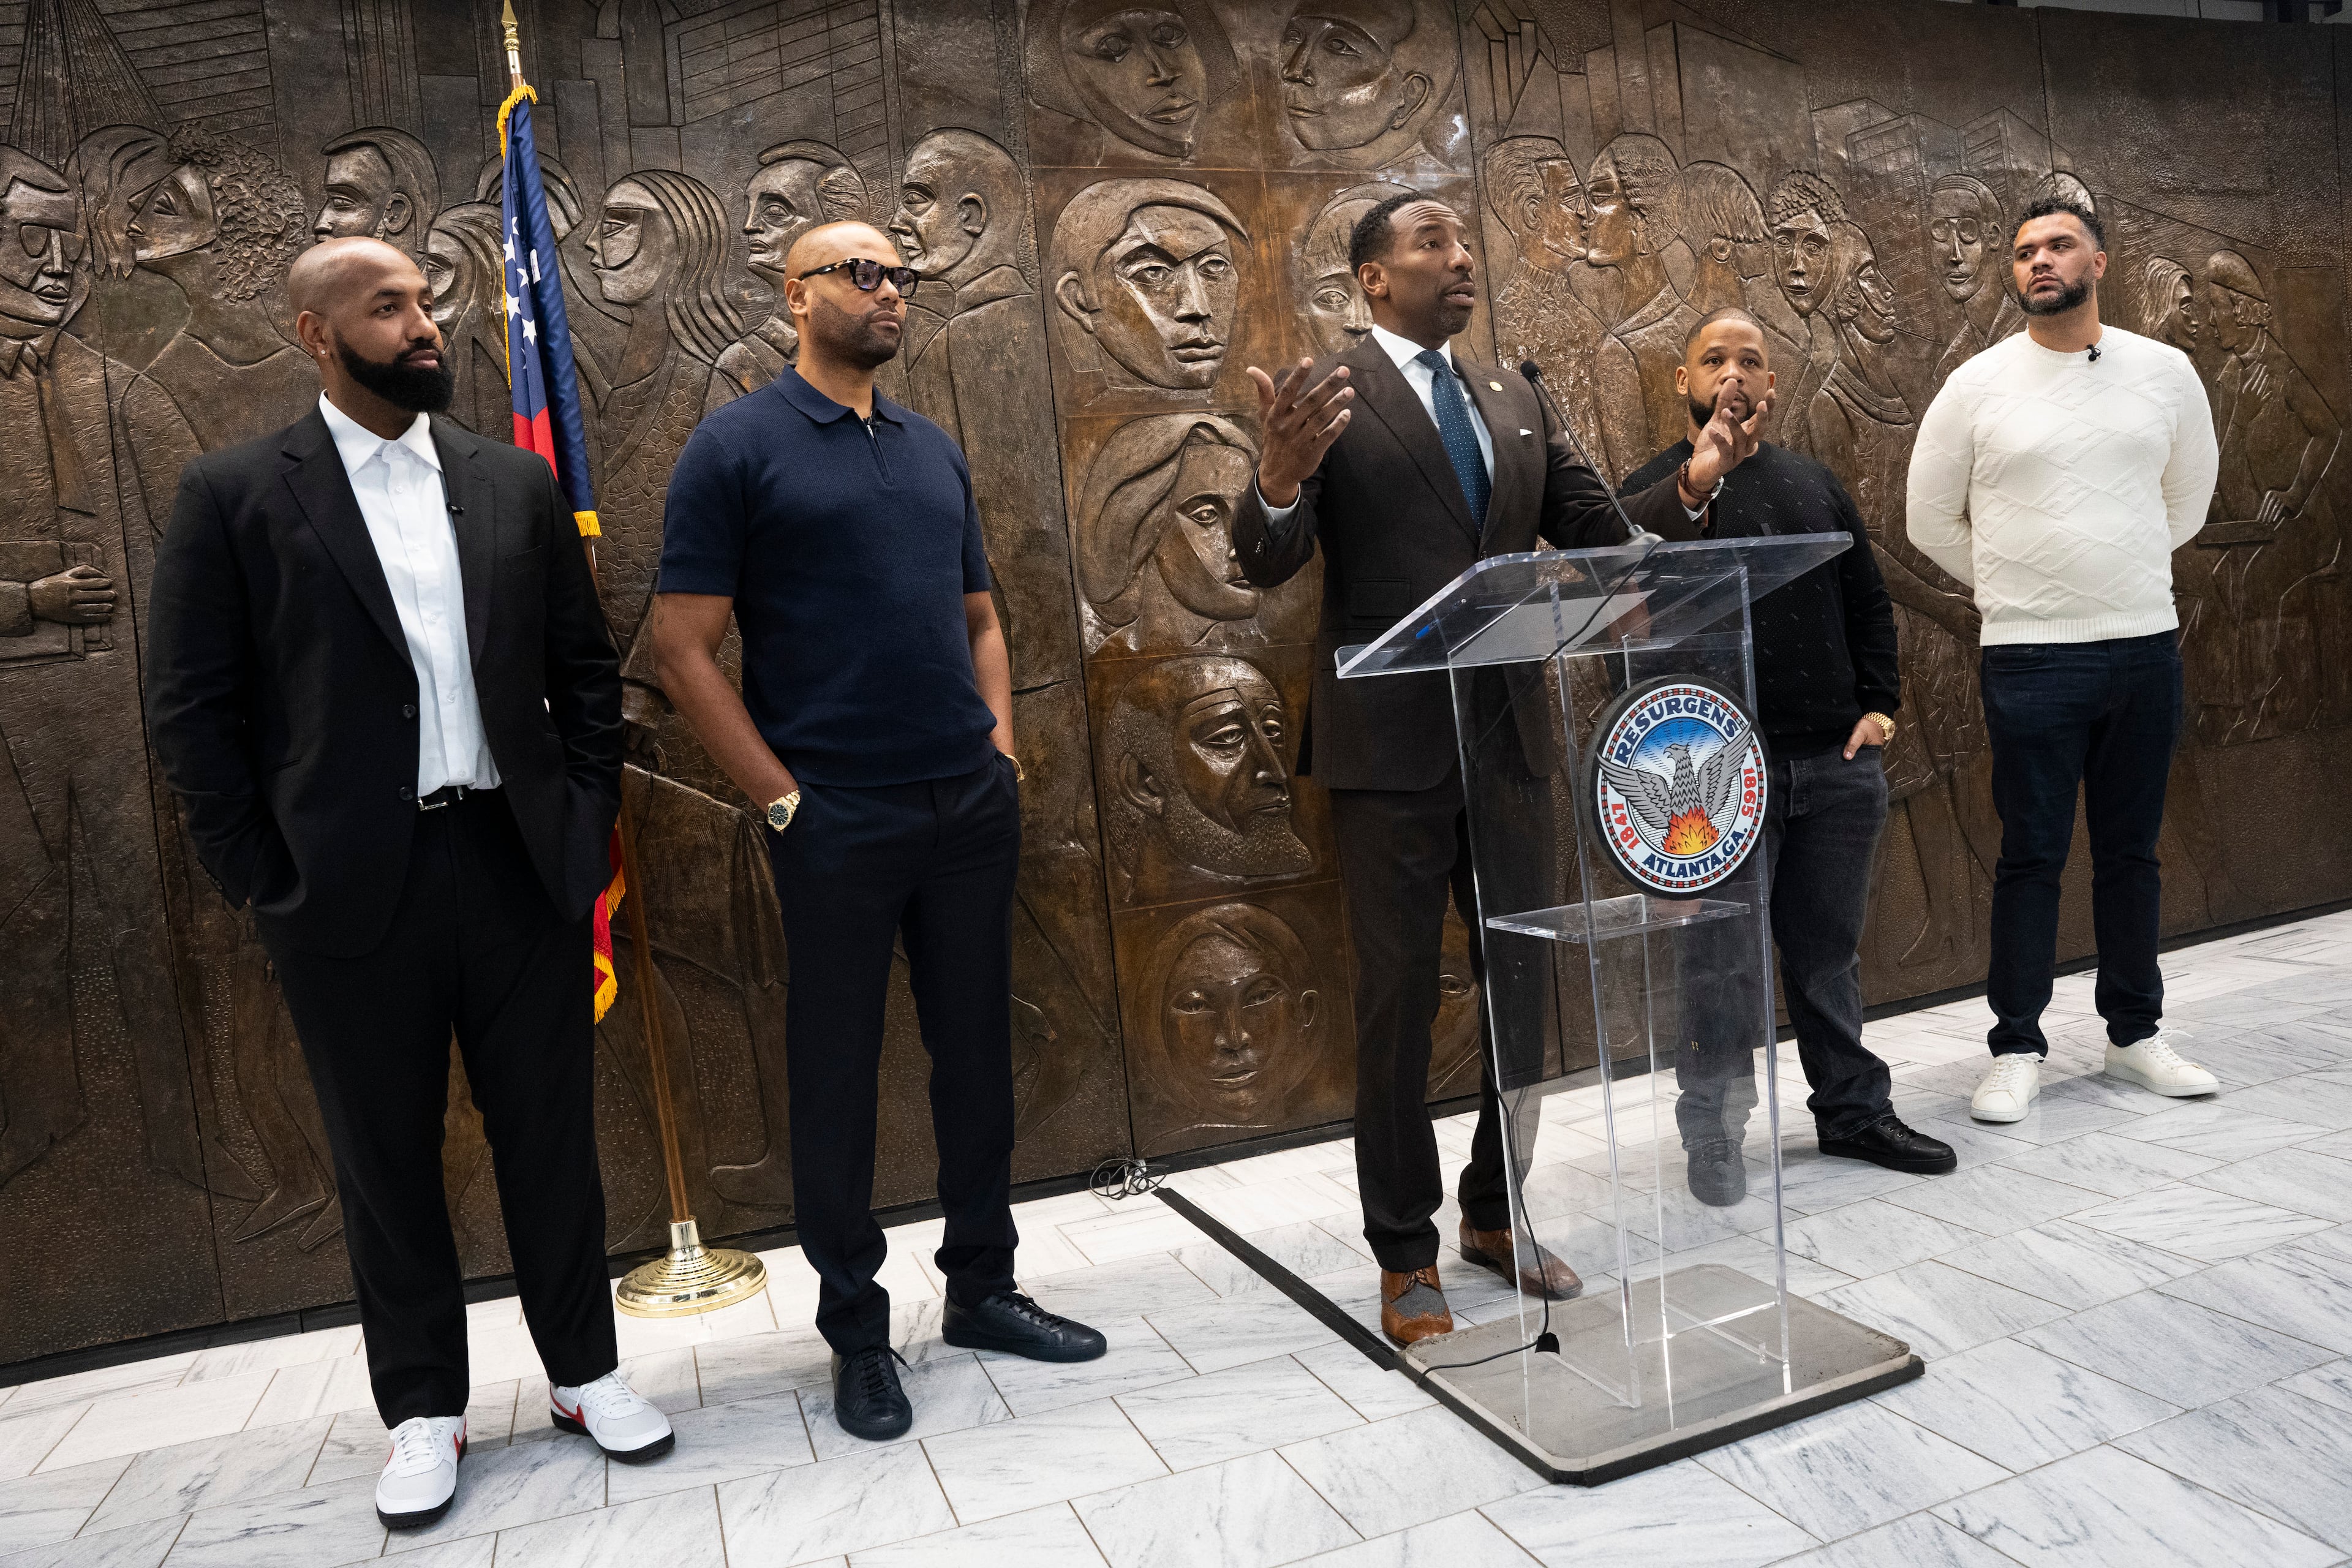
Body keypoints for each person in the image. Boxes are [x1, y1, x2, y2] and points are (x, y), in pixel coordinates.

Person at [143, 238, 673, 1529]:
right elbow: (192, 711)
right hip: (344, 889)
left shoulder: (510, 483)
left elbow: (585, 672)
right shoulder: (233, 494)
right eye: (390, 307)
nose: (425, 324)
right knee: (384, 1155)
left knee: (550, 1135)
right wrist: (267, 877)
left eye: (425, 303)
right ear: (319, 335)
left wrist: (583, 810)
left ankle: (585, 1370)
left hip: (514, 862)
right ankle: (423, 1407)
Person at [1234, 190, 1768, 1344]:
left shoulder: (1514, 394)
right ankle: (1404, 1253)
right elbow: (1268, 560)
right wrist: (1276, 483)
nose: (1460, 257)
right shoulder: (1329, 394)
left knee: (1523, 989)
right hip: (1389, 752)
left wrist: (1690, 486)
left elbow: (1595, 531)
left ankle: (1496, 1209)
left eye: (1464, 242)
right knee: (1391, 1007)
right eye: (1433, 243)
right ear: (1374, 277)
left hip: (1512, 739)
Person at [649, 219, 1107, 1441]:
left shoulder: (929, 446)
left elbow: (981, 618)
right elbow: (679, 648)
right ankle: (856, 1330)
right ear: (796, 297)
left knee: (975, 1058)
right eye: (863, 273)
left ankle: (985, 1287)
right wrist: (781, 796)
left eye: (901, 274)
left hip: (965, 804)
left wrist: (999, 747)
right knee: (839, 1078)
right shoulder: (738, 444)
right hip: (836, 815)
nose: (891, 290)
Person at [1623, 309, 1956, 1200]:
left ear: (1773, 387)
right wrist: (1703, 481)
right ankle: (1715, 1133)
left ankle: (1851, 1112)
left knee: (1827, 954)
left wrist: (1880, 710)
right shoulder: (1653, 492)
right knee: (1720, 961)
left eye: (1752, 361)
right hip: (1712, 785)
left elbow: (1869, 603)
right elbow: (1618, 605)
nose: (1733, 374)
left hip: (1833, 768)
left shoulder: (1814, 482)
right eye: (1714, 359)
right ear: (1683, 383)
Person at [1907, 197, 2222, 1121]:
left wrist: (2112, 576)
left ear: (2101, 263)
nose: (2037, 261)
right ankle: (2016, 1047)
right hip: (2030, 658)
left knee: (2131, 852)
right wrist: (2018, 584)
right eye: (2023, 252)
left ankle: (2135, 1034)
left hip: (2142, 647)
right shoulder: (1976, 386)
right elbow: (1929, 520)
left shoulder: (2165, 374)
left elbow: (2187, 505)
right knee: (2031, 855)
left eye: (2057, 246)